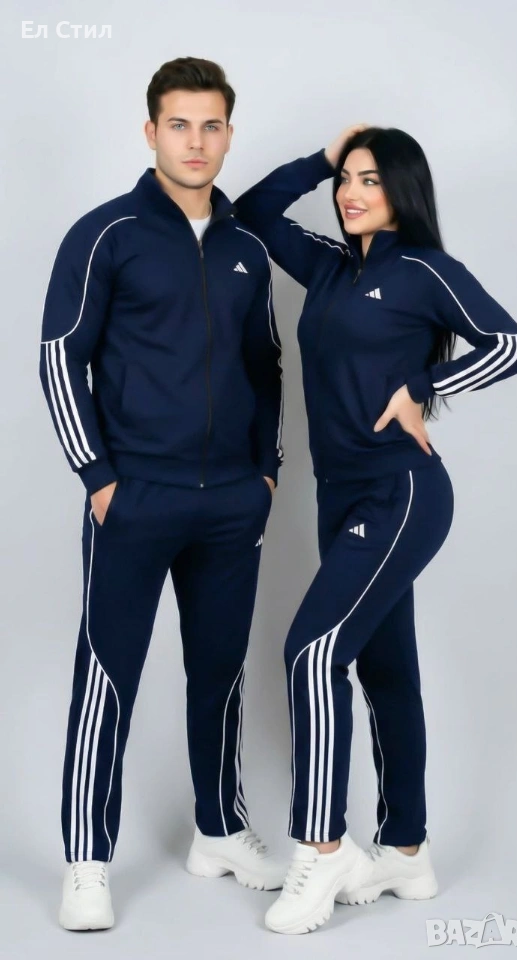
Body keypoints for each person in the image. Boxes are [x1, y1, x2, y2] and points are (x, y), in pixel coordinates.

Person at [233, 123, 517, 935]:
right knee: (385, 668)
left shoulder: (425, 270)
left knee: (313, 651)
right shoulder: (331, 266)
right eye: (347, 180)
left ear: (402, 189)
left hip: (399, 492)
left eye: (369, 179)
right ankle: (407, 851)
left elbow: (512, 345)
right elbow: (252, 213)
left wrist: (424, 387)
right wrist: (322, 157)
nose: (350, 193)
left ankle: (321, 849)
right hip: (339, 498)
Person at [39, 57, 287, 932]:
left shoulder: (247, 249)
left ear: (229, 133)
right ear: (151, 132)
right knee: (107, 677)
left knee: (219, 673)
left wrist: (266, 474)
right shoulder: (105, 234)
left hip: (231, 505)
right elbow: (60, 357)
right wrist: (99, 479)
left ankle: (218, 830)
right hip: (134, 497)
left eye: (211, 125)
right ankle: (86, 862)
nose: (196, 141)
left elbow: (268, 364)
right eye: (179, 124)